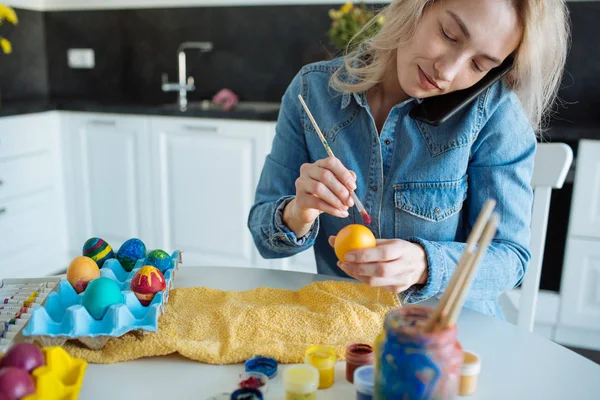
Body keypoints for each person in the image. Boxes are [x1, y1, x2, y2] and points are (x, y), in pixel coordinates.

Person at [247, 0, 570, 318]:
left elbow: (510, 260)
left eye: (479, 65)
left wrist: (425, 264)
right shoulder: (313, 89)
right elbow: (266, 240)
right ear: (416, 6)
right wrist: (299, 211)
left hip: (446, 333)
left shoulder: (496, 114)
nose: (447, 71)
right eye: (449, 34)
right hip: (344, 324)